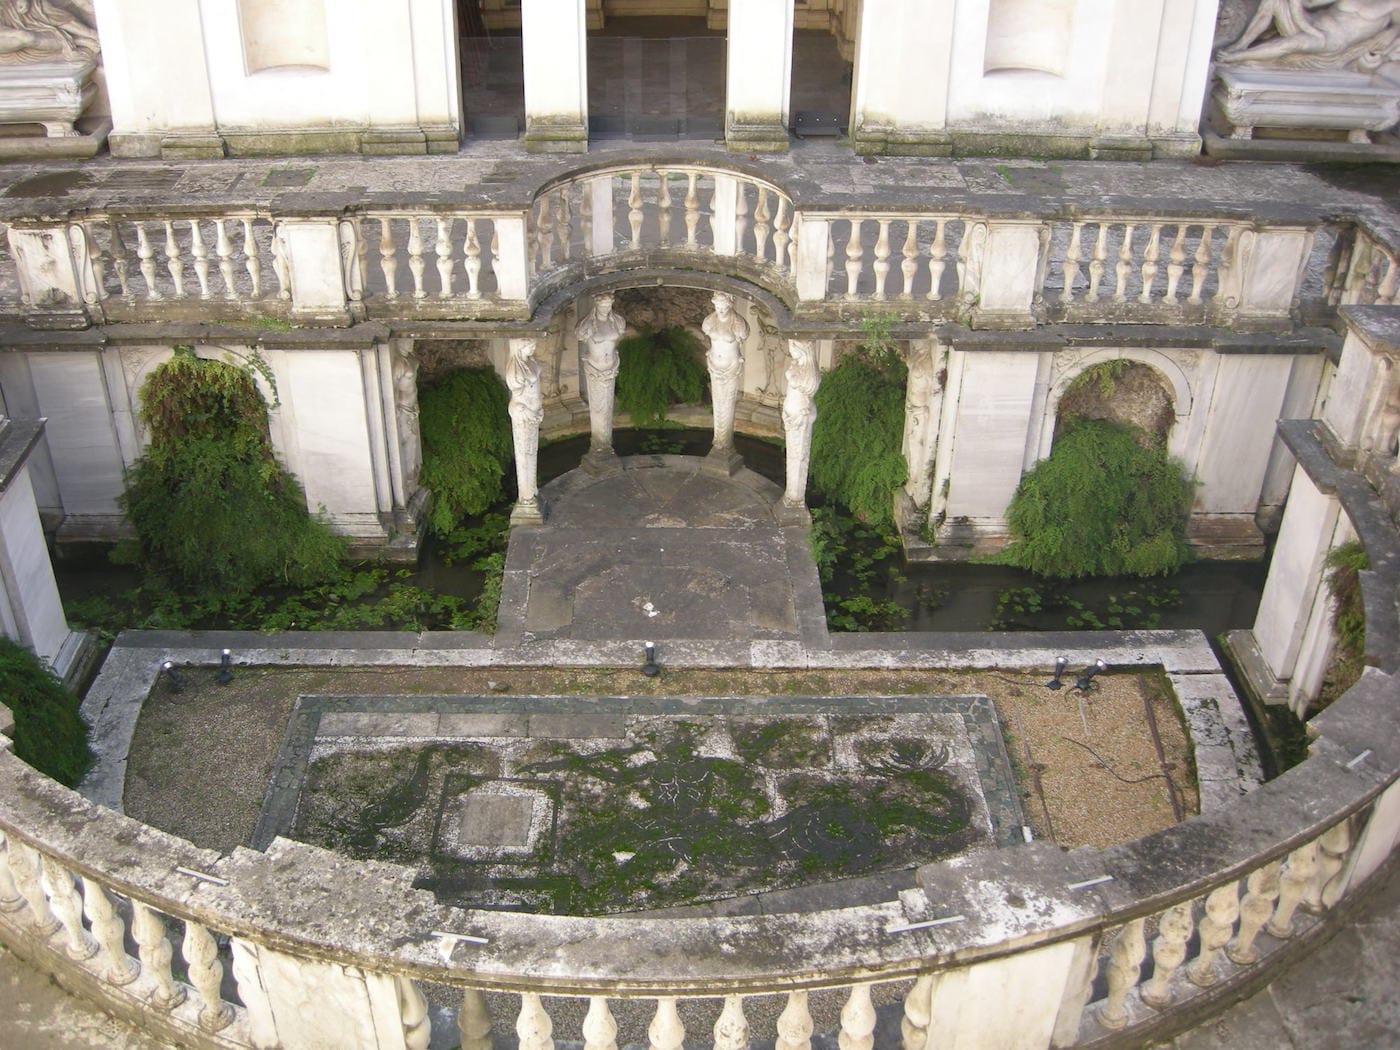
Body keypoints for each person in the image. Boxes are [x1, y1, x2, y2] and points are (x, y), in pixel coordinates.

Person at [1218, 0, 1400, 67]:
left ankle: (1236, 57)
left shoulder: (1393, 4)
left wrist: (1393, 31)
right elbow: (1311, 3)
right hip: (1309, 22)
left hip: (1329, 40)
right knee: (1273, 1)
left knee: (1293, 44)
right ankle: (1241, 44)